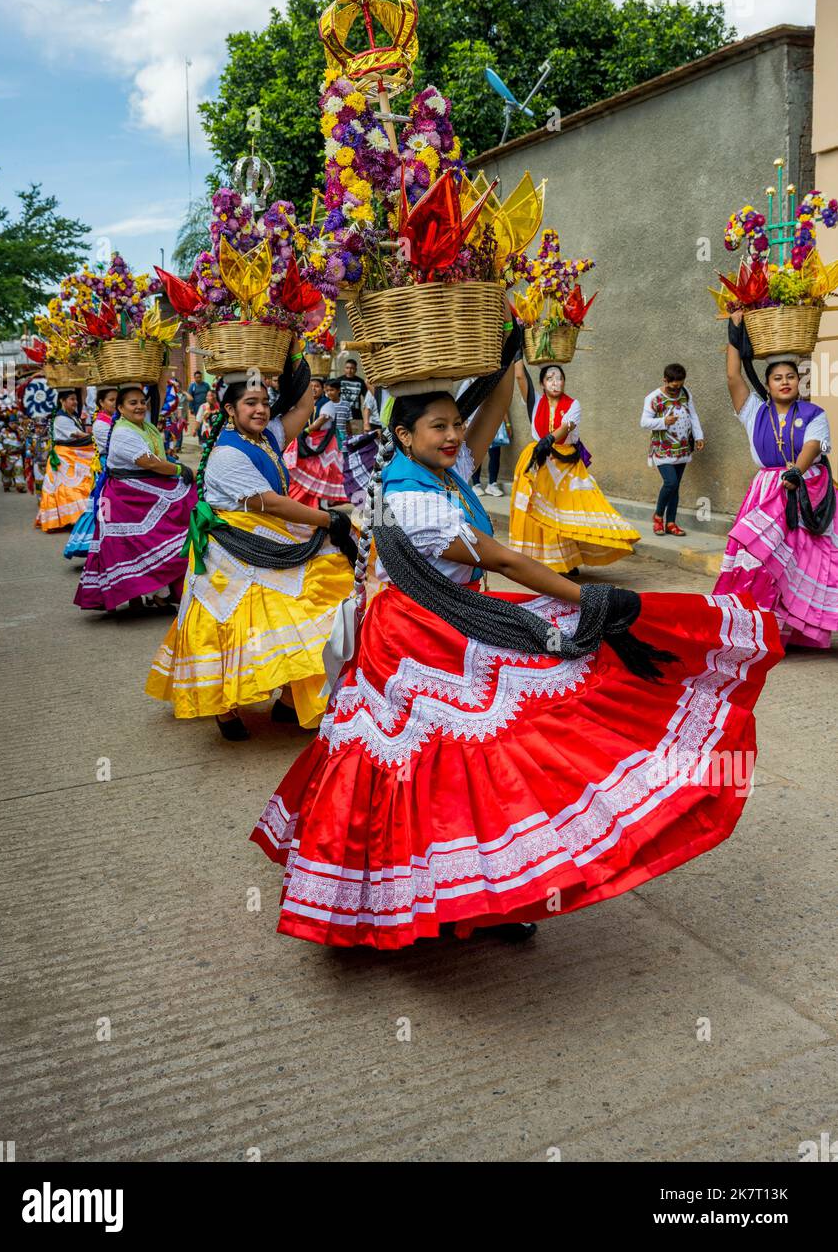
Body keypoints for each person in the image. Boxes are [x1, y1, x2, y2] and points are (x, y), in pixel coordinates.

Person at [249, 353, 782, 950]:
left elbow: (492, 415)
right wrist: (590, 600)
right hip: (418, 638)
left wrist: (510, 350)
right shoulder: (415, 497)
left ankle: (473, 893)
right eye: (439, 427)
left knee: (464, 759)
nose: (454, 436)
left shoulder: (435, 472)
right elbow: (500, 559)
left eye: (456, 424)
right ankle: (449, 895)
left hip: (449, 622)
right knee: (458, 761)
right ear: (404, 436)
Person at [146, 367, 358, 737]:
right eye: (250, 403)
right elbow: (272, 503)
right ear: (230, 409)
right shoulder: (227, 456)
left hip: (269, 539)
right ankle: (224, 709)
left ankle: (290, 701)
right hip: (233, 552)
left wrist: (296, 353)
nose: (260, 410)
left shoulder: (266, 438)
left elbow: (306, 405)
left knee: (306, 610)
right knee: (235, 624)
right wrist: (328, 519)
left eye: (264, 402)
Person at [713, 316, 838, 648]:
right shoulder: (753, 411)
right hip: (768, 492)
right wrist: (734, 330)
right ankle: (756, 625)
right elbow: (732, 374)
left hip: (806, 491)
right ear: (767, 384)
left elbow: (814, 445)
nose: (785, 382)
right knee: (761, 559)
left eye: (791, 377)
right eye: (777, 378)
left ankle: (796, 631)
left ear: (800, 381)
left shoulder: (814, 414)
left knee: (802, 562)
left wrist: (796, 470)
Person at [74, 382, 197, 613]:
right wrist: (180, 470)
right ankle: (145, 595)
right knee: (145, 542)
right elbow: (147, 461)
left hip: (138, 491)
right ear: (120, 408)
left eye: (142, 402)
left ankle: (159, 594)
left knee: (154, 540)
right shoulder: (122, 431)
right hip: (125, 497)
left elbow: (158, 396)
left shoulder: (143, 427)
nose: (140, 406)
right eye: (133, 403)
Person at [509, 363, 640, 574]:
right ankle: (540, 561)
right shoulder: (534, 402)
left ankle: (566, 562)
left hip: (565, 463)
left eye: (559, 378)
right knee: (537, 512)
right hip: (539, 461)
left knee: (567, 512)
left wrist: (550, 438)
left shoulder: (573, 404)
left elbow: (567, 425)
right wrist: (516, 345)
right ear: (542, 383)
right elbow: (519, 376)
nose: (555, 382)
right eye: (550, 378)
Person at [641, 364, 705, 536]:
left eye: (680, 385)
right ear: (665, 380)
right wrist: (663, 422)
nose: (677, 390)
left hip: (683, 448)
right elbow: (644, 422)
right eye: (673, 386)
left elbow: (693, 415)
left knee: (675, 487)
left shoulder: (685, 393)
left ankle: (671, 523)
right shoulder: (653, 398)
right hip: (663, 449)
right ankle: (658, 517)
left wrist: (699, 436)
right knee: (671, 483)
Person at [63, 387, 118, 560]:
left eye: (118, 399)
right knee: (105, 506)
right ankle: (100, 546)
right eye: (111, 400)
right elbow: (114, 448)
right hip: (106, 468)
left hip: (111, 466)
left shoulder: (114, 419)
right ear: (101, 403)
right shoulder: (101, 424)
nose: (115, 403)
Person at [35, 389, 95, 532]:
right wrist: (96, 436)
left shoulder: (71, 416)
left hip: (70, 455)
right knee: (70, 488)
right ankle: (75, 518)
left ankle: (72, 519)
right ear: (62, 401)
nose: (75, 402)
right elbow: (79, 435)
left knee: (69, 489)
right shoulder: (61, 418)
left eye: (76, 399)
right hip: (64, 457)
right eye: (71, 399)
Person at [283, 376, 349, 507]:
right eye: (311, 386)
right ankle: (304, 502)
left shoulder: (327, 403)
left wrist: (306, 430)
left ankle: (319, 504)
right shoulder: (305, 403)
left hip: (325, 444)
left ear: (322, 389)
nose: (313, 389)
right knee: (305, 469)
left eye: (316, 386)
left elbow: (322, 419)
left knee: (322, 473)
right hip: (307, 442)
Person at [472, 411, 511, 496]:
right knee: (477, 453)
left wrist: (507, 423)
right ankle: (476, 484)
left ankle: (492, 484)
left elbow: (503, 405)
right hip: (477, 422)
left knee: (495, 454)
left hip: (494, 422)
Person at [0, 415, 27, 492]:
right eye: (12, 423)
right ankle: (6, 485)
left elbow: (24, 440)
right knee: (7, 471)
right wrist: (2, 450)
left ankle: (20, 486)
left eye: (16, 423)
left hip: (18, 455)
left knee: (19, 470)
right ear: (8, 423)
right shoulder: (3, 431)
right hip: (7, 455)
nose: (14, 425)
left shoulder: (21, 430)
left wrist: (22, 434)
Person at [188, 371, 210, 435]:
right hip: (196, 407)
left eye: (200, 377)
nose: (199, 379)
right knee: (199, 421)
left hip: (206, 406)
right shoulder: (192, 386)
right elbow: (190, 397)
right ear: (194, 378)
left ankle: (206, 436)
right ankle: (201, 438)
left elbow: (210, 394)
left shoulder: (206, 385)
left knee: (206, 421)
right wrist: (191, 408)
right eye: (197, 377)